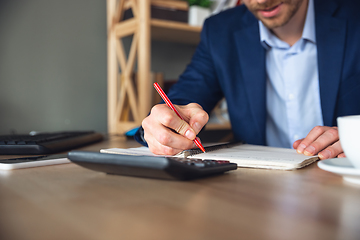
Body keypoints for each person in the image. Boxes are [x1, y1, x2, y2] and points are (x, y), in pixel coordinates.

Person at [137, 0, 360, 159]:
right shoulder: (220, 32)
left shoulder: (354, 15)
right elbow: (183, 98)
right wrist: (163, 125)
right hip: (256, 191)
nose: (261, 1)